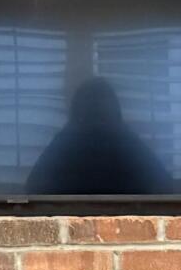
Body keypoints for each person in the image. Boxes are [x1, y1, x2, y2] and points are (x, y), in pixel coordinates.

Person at [25, 76, 169, 197]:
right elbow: (34, 188)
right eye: (92, 109)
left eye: (100, 109)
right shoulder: (66, 142)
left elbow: (162, 186)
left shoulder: (127, 142)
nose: (97, 116)